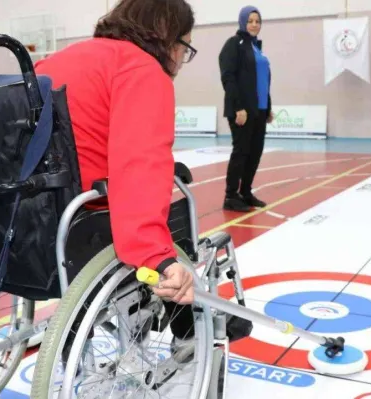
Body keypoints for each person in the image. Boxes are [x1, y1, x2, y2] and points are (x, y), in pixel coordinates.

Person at [34, 0, 198, 353]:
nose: (182, 59)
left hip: (35, 218)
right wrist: (158, 257)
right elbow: (140, 163)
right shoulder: (143, 70)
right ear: (169, 38)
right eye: (185, 46)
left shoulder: (57, 60)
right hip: (85, 220)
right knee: (174, 200)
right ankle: (187, 328)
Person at [218, 5, 274, 212]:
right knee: (241, 152)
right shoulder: (234, 44)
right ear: (243, 22)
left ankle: (246, 192)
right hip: (242, 110)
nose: (254, 24)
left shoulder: (257, 48)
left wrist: (268, 107)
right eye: (250, 21)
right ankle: (231, 195)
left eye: (257, 21)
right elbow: (228, 77)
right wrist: (238, 107)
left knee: (255, 152)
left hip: (259, 110)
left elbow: (263, 81)